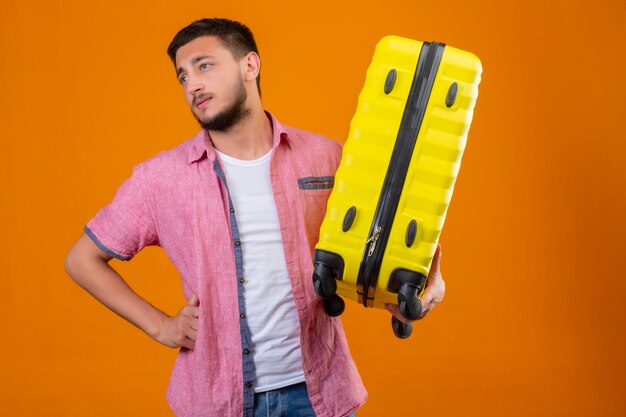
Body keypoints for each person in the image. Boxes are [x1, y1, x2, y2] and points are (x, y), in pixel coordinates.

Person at [64, 18, 445, 417]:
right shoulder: (160, 178)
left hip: (319, 397)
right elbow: (81, 260)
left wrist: (419, 284)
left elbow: (376, 244)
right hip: (217, 404)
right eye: (182, 76)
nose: (191, 84)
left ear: (250, 66)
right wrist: (160, 326)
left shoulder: (324, 156)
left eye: (204, 65)